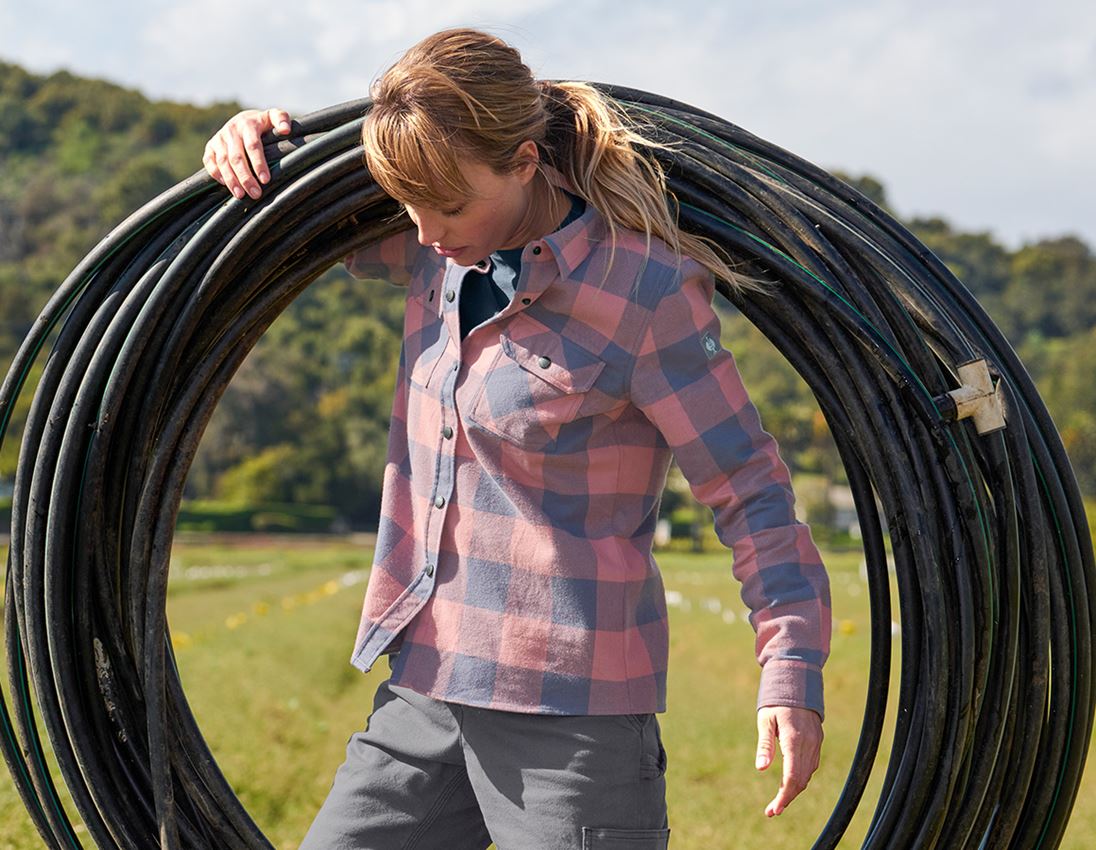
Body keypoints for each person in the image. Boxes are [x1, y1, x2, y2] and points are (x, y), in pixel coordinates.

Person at [203, 27, 831, 850]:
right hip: (425, 690)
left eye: (450, 204)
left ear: (527, 162)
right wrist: (256, 145)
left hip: (571, 722)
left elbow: (748, 487)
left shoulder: (643, 288)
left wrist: (790, 671)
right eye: (408, 205)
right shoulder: (438, 247)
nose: (425, 230)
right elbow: (302, 225)